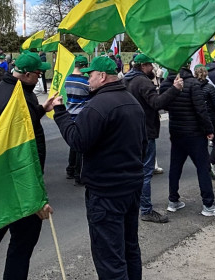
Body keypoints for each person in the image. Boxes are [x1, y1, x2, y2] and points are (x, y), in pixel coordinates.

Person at [50, 55, 147, 280]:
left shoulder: (97, 106)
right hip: (131, 187)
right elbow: (142, 146)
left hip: (106, 192)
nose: (88, 80)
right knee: (129, 247)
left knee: (109, 256)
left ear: (102, 76)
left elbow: (78, 141)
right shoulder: (132, 102)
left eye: (90, 75)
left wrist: (60, 112)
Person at [0, 53, 54, 280]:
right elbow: (20, 153)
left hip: (1, 178)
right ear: (26, 75)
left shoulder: (3, 90)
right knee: (21, 245)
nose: (40, 77)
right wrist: (34, 196)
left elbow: (20, 127)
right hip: (20, 182)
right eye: (38, 74)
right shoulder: (19, 100)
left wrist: (42, 109)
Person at [160, 64, 215, 217]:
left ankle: (173, 200)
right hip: (194, 133)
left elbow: (164, 105)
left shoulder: (166, 84)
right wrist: (209, 129)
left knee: (175, 167)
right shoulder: (193, 83)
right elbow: (201, 109)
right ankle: (208, 204)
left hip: (176, 131)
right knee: (203, 168)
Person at [124, 53, 178, 224]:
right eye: (150, 65)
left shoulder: (125, 80)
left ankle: (130, 205)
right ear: (143, 66)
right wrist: (175, 89)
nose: (153, 68)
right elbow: (157, 103)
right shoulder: (143, 82)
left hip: (129, 132)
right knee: (145, 173)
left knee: (131, 172)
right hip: (145, 131)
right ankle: (146, 210)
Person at [64, 55, 92, 184]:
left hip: (70, 113)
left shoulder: (67, 79)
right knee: (80, 146)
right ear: (85, 66)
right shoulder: (85, 82)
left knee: (73, 144)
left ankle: (70, 169)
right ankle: (78, 175)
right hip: (81, 115)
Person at [194, 65, 215, 179]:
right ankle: (210, 163)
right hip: (212, 117)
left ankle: (204, 164)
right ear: (206, 74)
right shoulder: (209, 87)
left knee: (202, 143)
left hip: (197, 118)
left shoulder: (192, 87)